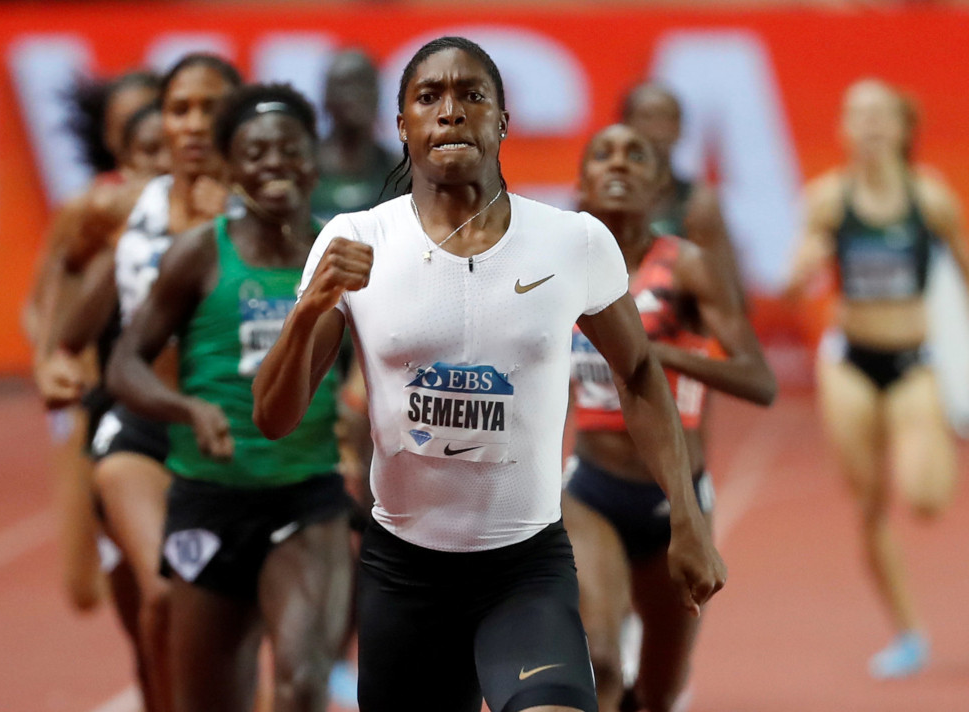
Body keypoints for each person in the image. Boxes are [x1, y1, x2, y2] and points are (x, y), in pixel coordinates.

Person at [253, 36, 726, 712]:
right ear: (403, 126)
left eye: (472, 96)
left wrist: (687, 515)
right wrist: (309, 311)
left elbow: (641, 374)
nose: (450, 112)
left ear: (502, 122)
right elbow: (273, 418)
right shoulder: (356, 240)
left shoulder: (573, 242)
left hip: (523, 569)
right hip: (403, 573)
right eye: (428, 97)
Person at [107, 83, 353, 712]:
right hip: (208, 497)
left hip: (306, 494)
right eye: (254, 152)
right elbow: (125, 363)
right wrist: (186, 408)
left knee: (301, 683)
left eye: (288, 149)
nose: (273, 162)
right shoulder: (198, 253)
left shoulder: (343, 255)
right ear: (231, 169)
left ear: (312, 159)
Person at [564, 123, 777, 712]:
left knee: (658, 693)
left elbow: (759, 381)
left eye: (638, 157)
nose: (619, 165)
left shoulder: (689, 268)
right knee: (600, 661)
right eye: (603, 154)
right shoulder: (561, 272)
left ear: (660, 189)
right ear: (582, 183)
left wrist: (656, 355)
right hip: (590, 493)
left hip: (674, 499)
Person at [57, 53, 243, 712]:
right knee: (165, 598)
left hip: (237, 443)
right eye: (178, 109)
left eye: (209, 108)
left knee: (228, 637)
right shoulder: (122, 208)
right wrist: (59, 358)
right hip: (142, 434)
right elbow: (66, 311)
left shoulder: (271, 212)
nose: (193, 124)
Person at [787, 78, 969, 678]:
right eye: (855, 115)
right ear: (842, 129)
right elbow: (792, 279)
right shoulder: (830, 199)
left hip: (912, 360)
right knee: (870, 505)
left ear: (900, 127)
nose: (866, 126)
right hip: (850, 363)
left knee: (924, 496)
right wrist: (804, 269)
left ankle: (918, 443)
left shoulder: (932, 198)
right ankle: (909, 632)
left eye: (878, 116)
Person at [25, 70, 162, 616]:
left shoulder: (204, 203)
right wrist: (60, 361)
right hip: (94, 396)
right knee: (85, 588)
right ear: (110, 137)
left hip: (171, 396)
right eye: (126, 124)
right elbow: (41, 304)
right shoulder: (92, 207)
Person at [622, 82, 746, 303]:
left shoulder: (698, 203)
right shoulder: (601, 200)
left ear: (680, 128)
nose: (657, 129)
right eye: (646, 117)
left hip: (674, 329)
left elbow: (731, 293)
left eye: (667, 118)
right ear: (625, 127)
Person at [310, 49, 401, 224]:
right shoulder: (303, 166)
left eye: (365, 83)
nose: (357, 93)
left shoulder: (399, 172)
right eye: (345, 85)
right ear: (326, 98)